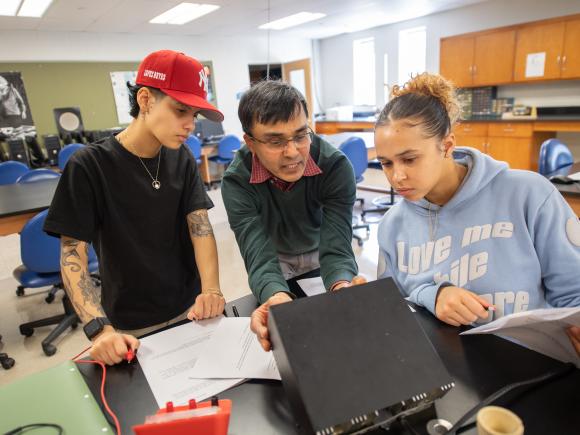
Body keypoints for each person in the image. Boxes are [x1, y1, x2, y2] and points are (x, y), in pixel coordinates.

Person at [374, 72, 580, 350]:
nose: (397, 176)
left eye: (409, 159)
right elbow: (393, 311)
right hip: (449, 366)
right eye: (386, 163)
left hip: (535, 360)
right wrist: (431, 294)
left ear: (446, 146)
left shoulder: (529, 194)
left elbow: (573, 292)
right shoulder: (392, 226)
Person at [44, 50, 226, 365]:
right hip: (128, 323)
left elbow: (200, 227)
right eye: (180, 110)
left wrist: (212, 290)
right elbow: (72, 254)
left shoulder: (180, 157)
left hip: (190, 308)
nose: (189, 125)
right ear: (145, 99)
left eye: (193, 115)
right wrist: (99, 329)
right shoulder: (89, 166)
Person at [221, 80, 365, 351]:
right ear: (250, 142)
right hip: (276, 255)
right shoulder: (237, 181)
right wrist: (276, 296)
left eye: (300, 135)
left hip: (320, 247)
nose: (292, 152)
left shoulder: (334, 166)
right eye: (275, 141)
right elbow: (258, 255)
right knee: (288, 328)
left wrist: (342, 286)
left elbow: (336, 246)